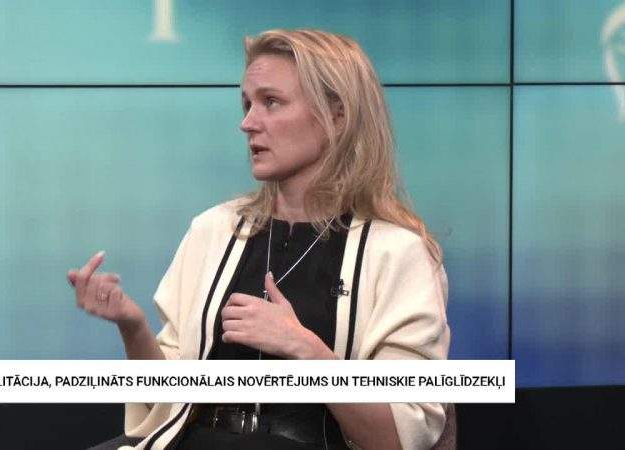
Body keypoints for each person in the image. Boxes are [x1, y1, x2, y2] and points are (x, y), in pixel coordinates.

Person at [70, 29, 450, 450]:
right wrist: (133, 326)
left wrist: (306, 350)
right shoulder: (214, 230)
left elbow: (397, 436)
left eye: (271, 102)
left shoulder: (397, 252)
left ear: (337, 115)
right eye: (247, 104)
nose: (248, 123)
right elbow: (166, 407)